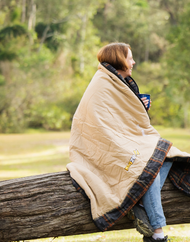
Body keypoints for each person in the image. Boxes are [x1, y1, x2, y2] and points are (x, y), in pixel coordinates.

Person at [66, 43, 174, 242]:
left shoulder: (113, 81)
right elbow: (103, 123)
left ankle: (137, 201)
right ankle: (158, 233)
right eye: (129, 58)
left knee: (166, 157)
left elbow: (119, 116)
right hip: (107, 148)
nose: (133, 62)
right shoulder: (103, 82)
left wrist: (138, 107)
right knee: (149, 165)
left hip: (123, 142)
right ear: (118, 59)